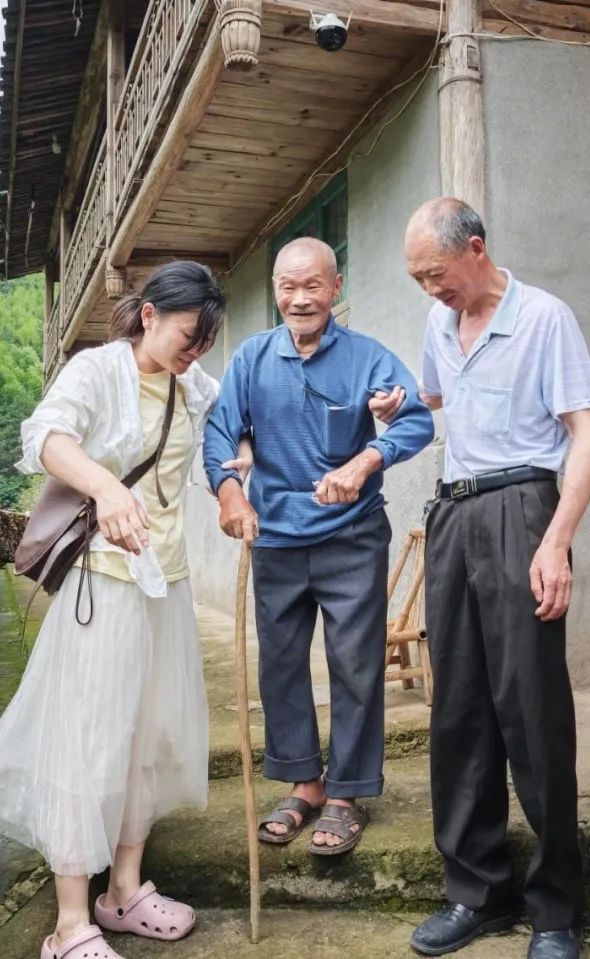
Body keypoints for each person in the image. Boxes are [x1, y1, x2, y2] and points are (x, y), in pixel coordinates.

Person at [0, 262, 250, 959]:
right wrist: (107, 489)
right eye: (188, 335)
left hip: (165, 581)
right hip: (104, 582)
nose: (196, 350)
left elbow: (232, 425)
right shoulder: (97, 371)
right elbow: (46, 437)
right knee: (90, 740)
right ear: (149, 315)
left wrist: (236, 473)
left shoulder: (192, 383)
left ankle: (125, 889)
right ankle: (69, 924)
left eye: (207, 341)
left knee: (148, 734)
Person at [391, 199, 590, 959]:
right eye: (419, 279)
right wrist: (397, 402)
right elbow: (437, 396)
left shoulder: (544, 318)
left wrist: (557, 541)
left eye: (436, 274)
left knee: (531, 706)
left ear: (476, 248)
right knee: (458, 708)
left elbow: (587, 431)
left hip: (523, 506)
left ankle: (555, 910)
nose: (430, 290)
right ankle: (475, 892)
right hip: (453, 514)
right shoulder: (439, 322)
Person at [203, 237, 434, 855]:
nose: (300, 298)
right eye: (288, 287)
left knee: (355, 663)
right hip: (275, 537)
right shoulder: (252, 359)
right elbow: (221, 432)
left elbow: (417, 419)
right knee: (280, 663)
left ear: (336, 288)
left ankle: (346, 794)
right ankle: (304, 783)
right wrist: (230, 494)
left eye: (313, 286)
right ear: (275, 291)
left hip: (352, 536)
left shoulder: (367, 358)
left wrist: (369, 456)